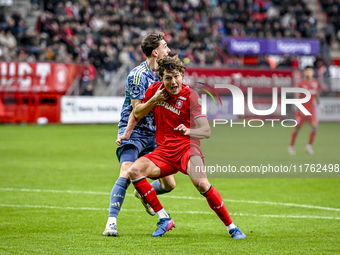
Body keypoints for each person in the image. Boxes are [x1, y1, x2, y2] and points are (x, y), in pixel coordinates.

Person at [127, 55, 246, 238]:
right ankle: (164, 218)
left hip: (188, 148)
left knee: (201, 183)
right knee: (134, 171)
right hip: (164, 151)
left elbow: (206, 131)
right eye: (168, 78)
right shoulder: (154, 90)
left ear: (182, 75)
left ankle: (232, 227)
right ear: (161, 79)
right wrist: (128, 132)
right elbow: (137, 112)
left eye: (176, 76)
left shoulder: (191, 96)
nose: (173, 82)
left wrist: (189, 132)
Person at [103, 32, 176, 236]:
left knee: (169, 184)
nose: (168, 49)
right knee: (126, 172)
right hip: (134, 132)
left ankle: (142, 191)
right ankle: (111, 223)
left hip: (154, 134)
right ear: (155, 52)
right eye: (165, 46)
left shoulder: (163, 74)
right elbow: (137, 111)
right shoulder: (138, 75)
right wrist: (155, 99)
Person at [288, 66, 322, 155]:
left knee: (315, 127)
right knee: (297, 129)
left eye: (310, 71)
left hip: (311, 110)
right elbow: (296, 97)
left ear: (312, 73)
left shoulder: (315, 83)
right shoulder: (300, 83)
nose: (308, 73)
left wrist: (320, 104)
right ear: (304, 73)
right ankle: (291, 146)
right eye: (306, 71)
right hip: (301, 110)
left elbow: (317, 94)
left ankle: (309, 146)